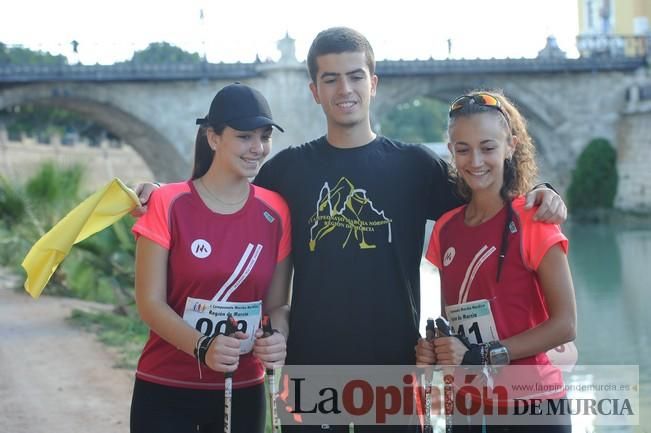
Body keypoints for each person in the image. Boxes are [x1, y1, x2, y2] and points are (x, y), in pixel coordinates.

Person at [134, 27, 567, 432]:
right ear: (314, 91)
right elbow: (218, 194)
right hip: (310, 370)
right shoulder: (286, 170)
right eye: (331, 79)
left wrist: (541, 191)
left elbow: (485, 191)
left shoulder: (416, 166)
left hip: (395, 369)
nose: (345, 90)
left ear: (373, 83)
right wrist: (163, 190)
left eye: (355, 76)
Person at [130, 83, 292, 433]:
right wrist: (203, 347)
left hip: (244, 389)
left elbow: (277, 304)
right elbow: (149, 302)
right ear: (213, 137)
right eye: (245, 136)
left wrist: (279, 335)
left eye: (264, 136)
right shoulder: (166, 202)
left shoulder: (276, 211)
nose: (258, 148)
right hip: (165, 389)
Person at [415, 91, 576, 432]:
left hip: (535, 405)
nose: (475, 160)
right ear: (451, 152)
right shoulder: (445, 227)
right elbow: (453, 319)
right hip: (470, 405)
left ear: (511, 146)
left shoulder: (534, 218)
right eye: (463, 149)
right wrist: (437, 347)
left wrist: (484, 354)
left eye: (488, 147)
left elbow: (565, 325)